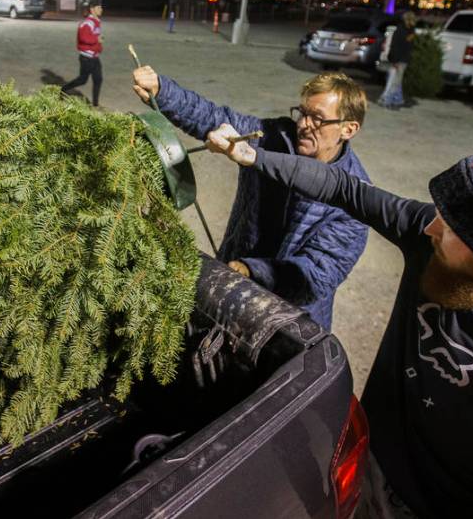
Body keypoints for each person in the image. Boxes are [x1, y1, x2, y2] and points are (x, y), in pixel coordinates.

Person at [204, 132, 473, 519]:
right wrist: (252, 155)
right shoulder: (433, 238)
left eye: (454, 226)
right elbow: (343, 188)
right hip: (366, 467)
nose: (433, 225)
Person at [131, 68, 370, 330]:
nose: (303, 125)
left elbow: (315, 276)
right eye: (302, 113)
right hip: (230, 285)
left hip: (284, 323)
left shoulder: (355, 199)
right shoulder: (274, 136)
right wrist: (163, 92)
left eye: (318, 119)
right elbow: (216, 118)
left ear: (349, 128)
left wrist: (250, 270)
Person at [63, 0, 104, 106]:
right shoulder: (86, 23)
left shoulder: (97, 22)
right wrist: (97, 40)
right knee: (82, 80)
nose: (101, 9)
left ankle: (95, 104)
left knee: (98, 79)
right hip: (86, 58)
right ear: (92, 9)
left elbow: (94, 37)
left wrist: (99, 47)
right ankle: (63, 89)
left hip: (95, 57)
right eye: (99, 7)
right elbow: (83, 38)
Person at [378, 12, 417, 110]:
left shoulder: (409, 31)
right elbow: (396, 46)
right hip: (399, 60)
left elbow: (408, 47)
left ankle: (396, 100)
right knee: (394, 82)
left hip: (403, 60)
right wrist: (395, 60)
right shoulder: (402, 30)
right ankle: (386, 101)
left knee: (396, 81)